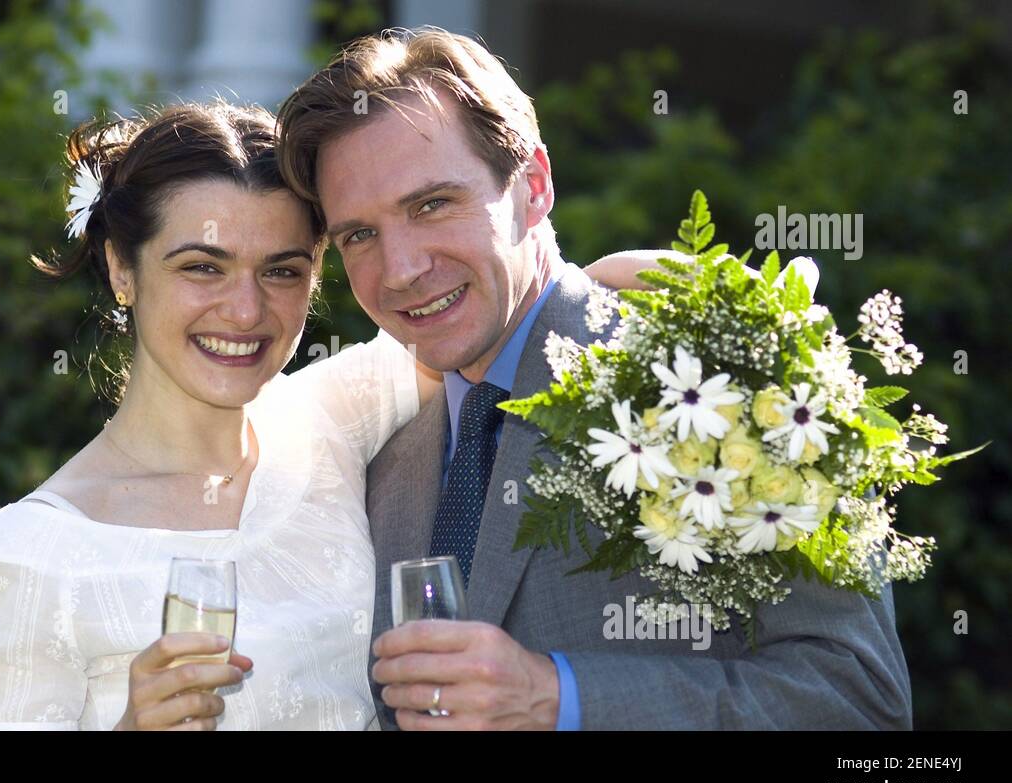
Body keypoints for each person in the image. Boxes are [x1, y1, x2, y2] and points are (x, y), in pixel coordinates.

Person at [276, 27, 913, 730]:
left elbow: (861, 703)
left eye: (431, 205)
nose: (399, 268)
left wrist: (559, 697)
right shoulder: (384, 469)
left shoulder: (717, 378)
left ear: (534, 186)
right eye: (359, 235)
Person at [0, 100, 651, 730]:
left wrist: (657, 284)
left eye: (281, 270)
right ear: (122, 269)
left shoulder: (329, 419)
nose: (246, 311)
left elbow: (500, 307)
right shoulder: (21, 559)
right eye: (202, 267)